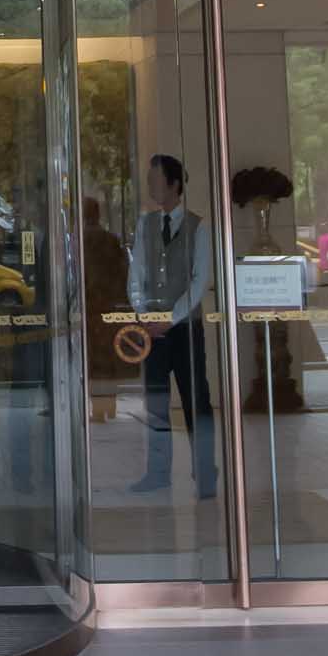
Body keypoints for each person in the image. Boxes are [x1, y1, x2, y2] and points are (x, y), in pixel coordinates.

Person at [128, 153, 217, 499]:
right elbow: (136, 272)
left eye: (155, 179)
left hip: (185, 328)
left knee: (196, 400)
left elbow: (199, 280)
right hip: (152, 330)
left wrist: (171, 317)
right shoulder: (145, 225)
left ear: (174, 183)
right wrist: (144, 312)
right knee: (156, 402)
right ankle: (158, 472)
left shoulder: (199, 226)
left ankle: (205, 473)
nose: (151, 185)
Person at [82, 195, 130, 424]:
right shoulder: (111, 239)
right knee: (109, 356)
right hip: (108, 304)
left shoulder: (83, 239)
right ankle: (110, 406)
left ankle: (98, 409)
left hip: (91, 305)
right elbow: (122, 271)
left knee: (94, 359)